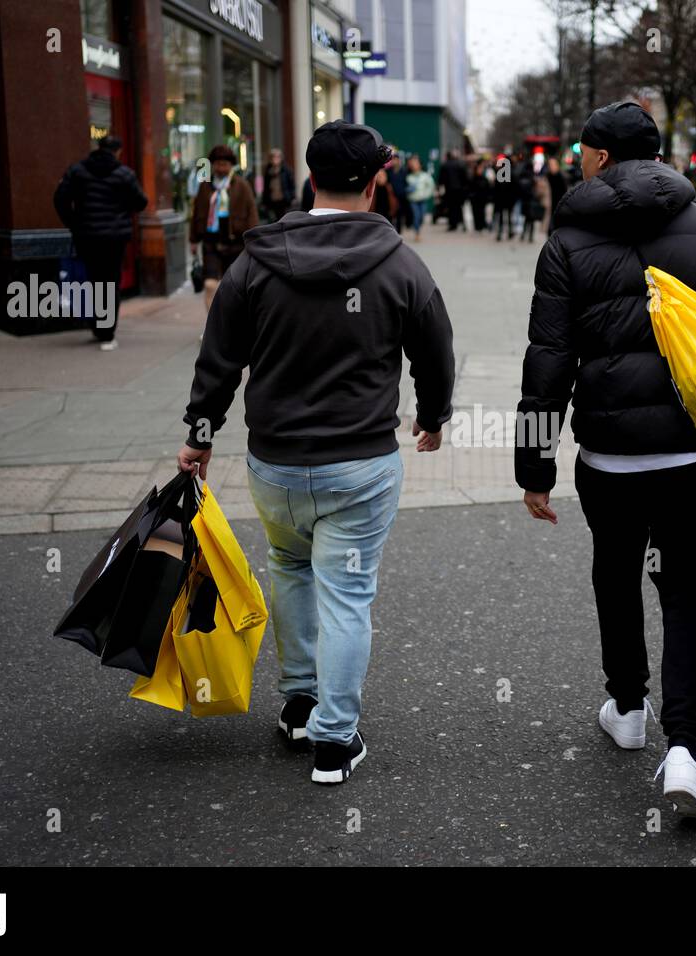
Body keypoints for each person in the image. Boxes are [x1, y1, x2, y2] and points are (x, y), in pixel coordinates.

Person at [515, 102, 696, 822]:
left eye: (581, 150)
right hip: (694, 452)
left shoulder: (567, 239)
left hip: (609, 459)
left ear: (600, 158)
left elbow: (548, 364)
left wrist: (535, 466)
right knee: (687, 588)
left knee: (616, 567)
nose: (576, 160)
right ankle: (686, 752)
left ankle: (628, 706)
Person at [177, 121, 455, 786]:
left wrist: (200, 433)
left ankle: (300, 703)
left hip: (274, 462)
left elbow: (219, 359)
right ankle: (334, 739)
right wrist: (436, 417)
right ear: (375, 180)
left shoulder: (256, 261)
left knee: (290, 566)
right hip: (359, 465)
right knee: (348, 595)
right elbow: (435, 349)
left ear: (311, 178)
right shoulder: (400, 264)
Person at [53, 134, 147, 350]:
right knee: (111, 282)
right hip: (114, 238)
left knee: (93, 280)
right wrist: (121, 212)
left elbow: (60, 198)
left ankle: (97, 324)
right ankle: (106, 332)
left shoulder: (77, 170)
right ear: (118, 151)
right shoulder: (125, 174)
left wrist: (74, 223)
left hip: (87, 236)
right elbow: (141, 202)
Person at [189, 144, 257, 312]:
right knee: (210, 284)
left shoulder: (242, 185)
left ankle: (230, 328)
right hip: (211, 242)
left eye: (225, 164)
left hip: (236, 244)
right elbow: (197, 212)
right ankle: (213, 330)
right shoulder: (205, 186)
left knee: (233, 288)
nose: (221, 168)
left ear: (231, 165)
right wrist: (193, 240)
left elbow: (252, 213)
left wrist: (254, 241)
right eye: (217, 164)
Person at [259, 147, 295, 223]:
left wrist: (291, 197)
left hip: (284, 200)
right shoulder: (268, 172)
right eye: (273, 157)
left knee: (284, 220)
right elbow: (265, 188)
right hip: (272, 201)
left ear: (281, 158)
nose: (275, 159)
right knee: (274, 221)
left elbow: (291, 185)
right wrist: (264, 201)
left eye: (277, 157)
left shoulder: (286, 170)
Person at [405, 155, 435, 241]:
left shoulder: (425, 176)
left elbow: (431, 186)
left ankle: (418, 228)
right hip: (413, 200)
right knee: (416, 215)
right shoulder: (408, 176)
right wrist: (408, 190)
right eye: (413, 163)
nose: (414, 165)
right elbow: (405, 188)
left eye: (416, 163)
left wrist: (426, 194)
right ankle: (417, 233)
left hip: (422, 200)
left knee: (422, 216)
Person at [437, 149, 469, 231]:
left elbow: (441, 179)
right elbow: (465, 178)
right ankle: (462, 223)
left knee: (451, 208)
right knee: (460, 207)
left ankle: (453, 224)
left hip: (449, 190)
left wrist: (439, 188)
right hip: (459, 190)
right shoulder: (460, 164)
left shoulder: (445, 165)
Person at [492, 155, 517, 240]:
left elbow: (496, 187)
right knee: (509, 216)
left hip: (500, 199)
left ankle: (500, 233)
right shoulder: (512, 173)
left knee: (501, 216)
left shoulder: (500, 173)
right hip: (509, 199)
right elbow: (514, 187)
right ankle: (510, 232)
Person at [545, 156, 568, 234]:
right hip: (549, 204)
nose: (552, 166)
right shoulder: (547, 176)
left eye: (553, 164)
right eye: (550, 164)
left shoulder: (561, 177)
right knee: (548, 227)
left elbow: (565, 192)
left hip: (558, 204)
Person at [468, 157, 491, 231]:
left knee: (482, 212)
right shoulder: (473, 179)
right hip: (475, 199)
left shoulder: (484, 179)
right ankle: (477, 226)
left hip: (482, 199)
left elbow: (488, 188)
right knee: (476, 212)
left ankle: (481, 225)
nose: (480, 170)